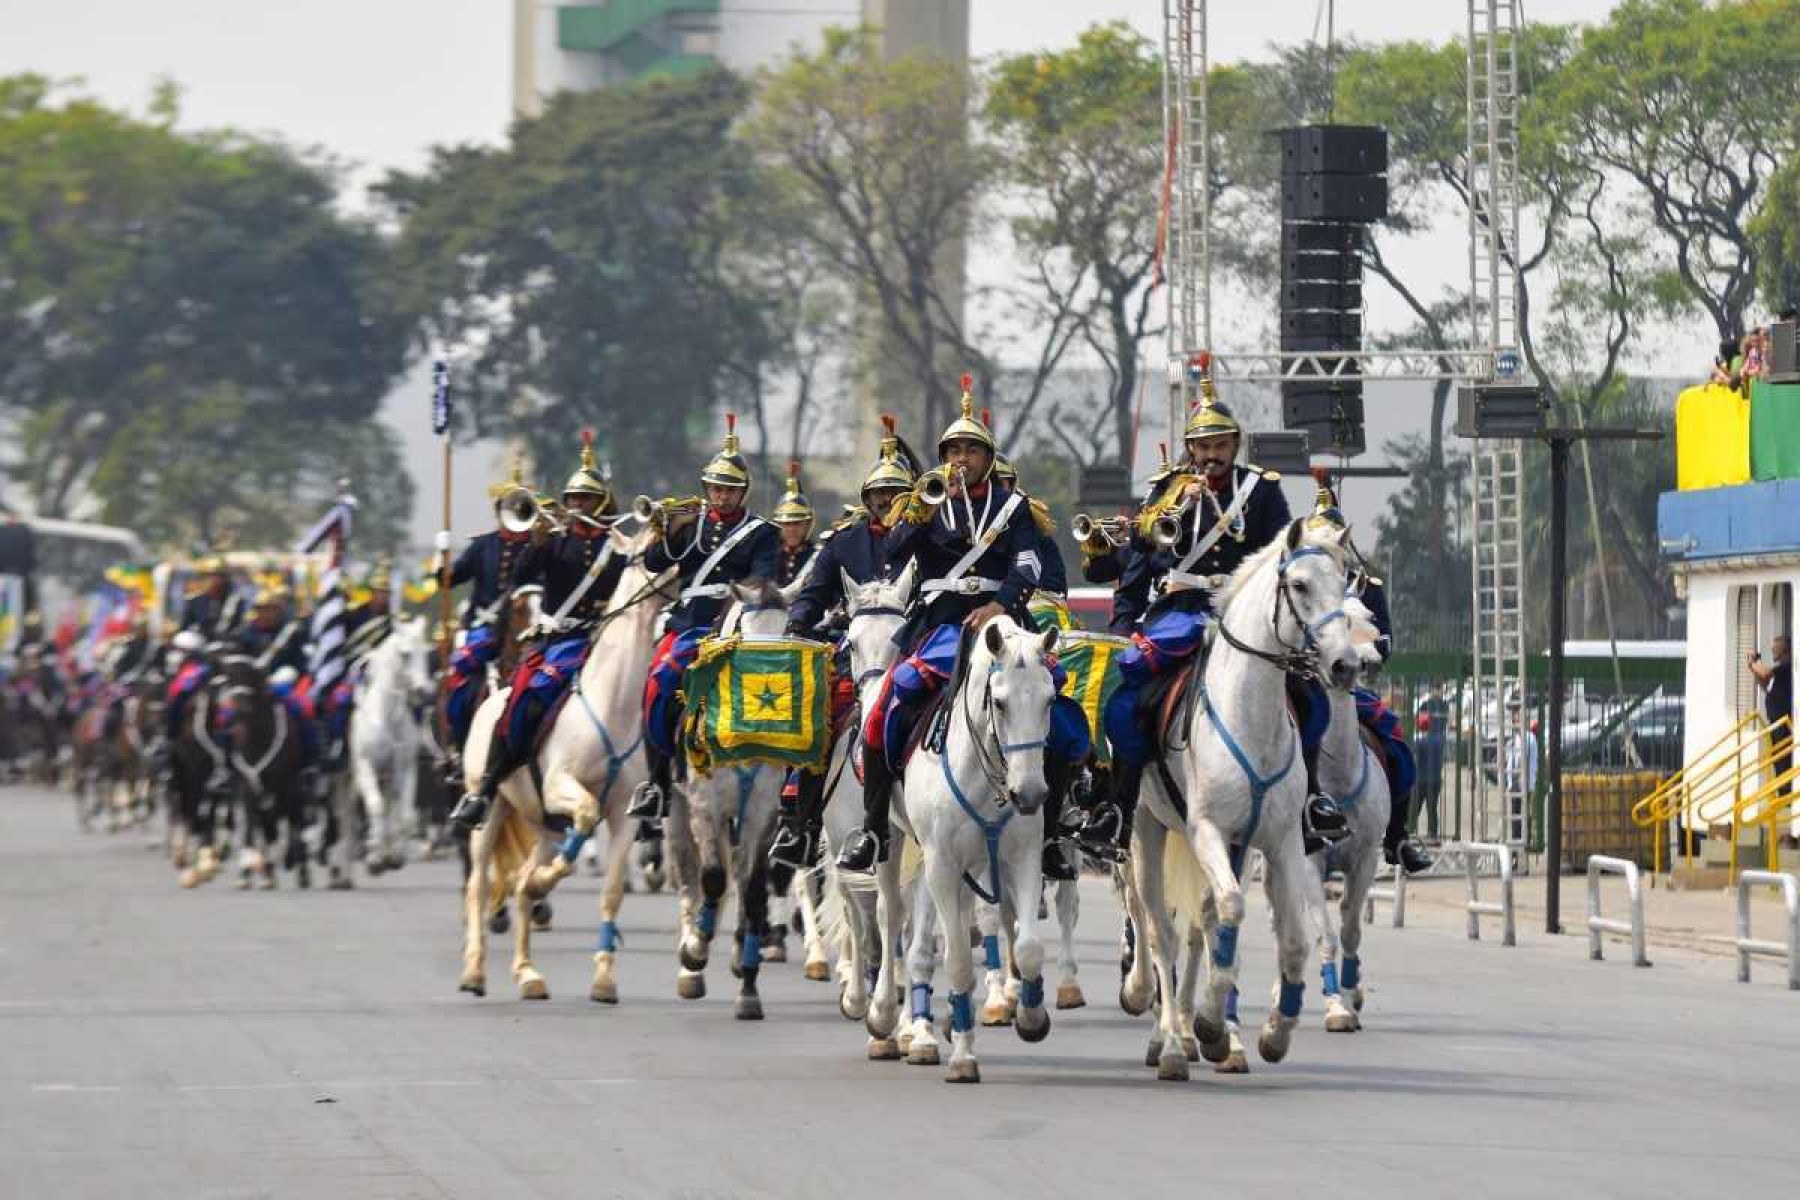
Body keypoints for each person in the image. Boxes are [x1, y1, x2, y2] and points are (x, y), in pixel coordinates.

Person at [1079, 359, 1347, 859]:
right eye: (1202, 447)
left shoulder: (1261, 489)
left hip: (1243, 613)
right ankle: (1116, 806)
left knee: (1309, 695)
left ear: (1234, 445)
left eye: (1219, 445)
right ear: (1190, 448)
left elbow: (1281, 557)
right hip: (1180, 610)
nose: (1210, 456)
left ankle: (1311, 801)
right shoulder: (1168, 489)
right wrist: (1123, 625)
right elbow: (1139, 559)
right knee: (1131, 700)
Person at [836, 377, 1090, 875]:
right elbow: (891, 553)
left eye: (972, 450)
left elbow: (1028, 565)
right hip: (939, 626)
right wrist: (921, 510)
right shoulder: (924, 503)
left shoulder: (1014, 510)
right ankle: (872, 829)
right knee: (886, 708)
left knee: (1058, 708)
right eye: (955, 450)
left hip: (1004, 624)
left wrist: (1000, 604)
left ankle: (1055, 832)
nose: (962, 458)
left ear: (988, 457)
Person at [451, 431, 627, 832]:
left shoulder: (615, 547)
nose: (576, 506)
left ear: (599, 503)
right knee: (522, 703)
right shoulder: (554, 543)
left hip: (605, 642)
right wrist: (536, 543)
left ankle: (653, 794)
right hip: (561, 642)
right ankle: (486, 787)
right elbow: (521, 576)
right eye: (572, 499)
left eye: (584, 499)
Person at [768, 416, 919, 872]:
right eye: (879, 495)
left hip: (911, 644)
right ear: (867, 499)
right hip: (854, 648)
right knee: (820, 716)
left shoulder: (927, 537)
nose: (886, 502)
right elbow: (814, 593)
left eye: (895, 495)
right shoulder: (843, 543)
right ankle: (803, 821)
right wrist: (797, 624)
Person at [628, 415, 781, 824]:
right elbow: (653, 562)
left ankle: (785, 787)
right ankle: (657, 783)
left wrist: (742, 592)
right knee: (658, 684)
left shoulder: (761, 532)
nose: (721, 495)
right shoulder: (691, 525)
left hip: (735, 625)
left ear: (742, 491)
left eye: (729, 489)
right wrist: (667, 529)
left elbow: (765, 574)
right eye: (715, 488)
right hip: (690, 624)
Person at [439, 457, 541, 773]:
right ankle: (459, 746)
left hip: (526, 626)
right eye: (509, 507)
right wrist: (442, 561)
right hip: (484, 629)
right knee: (458, 677)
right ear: (499, 510)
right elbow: (450, 580)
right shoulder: (483, 546)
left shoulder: (538, 546)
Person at [1750, 635, 1793, 797]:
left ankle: (1786, 796)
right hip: (1776, 724)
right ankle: (1783, 794)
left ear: (1783, 650)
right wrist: (1753, 669)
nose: (1772, 650)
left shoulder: (1786, 668)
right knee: (1778, 761)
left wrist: (1754, 663)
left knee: (1784, 761)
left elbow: (1767, 674)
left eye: (1775, 648)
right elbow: (1767, 686)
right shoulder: (1779, 672)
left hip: (1784, 725)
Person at [770, 462, 818, 588]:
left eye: (797, 523)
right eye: (786, 524)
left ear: (807, 524)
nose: (791, 529)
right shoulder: (767, 555)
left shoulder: (817, 557)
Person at [179, 558, 243, 640]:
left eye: (221, 577)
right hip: (198, 643)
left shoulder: (235, 601)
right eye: (212, 576)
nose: (216, 581)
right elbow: (185, 627)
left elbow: (238, 628)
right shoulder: (195, 601)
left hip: (224, 644)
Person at [1411, 707, 1445, 842]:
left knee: (1414, 808)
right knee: (1432, 808)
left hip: (1420, 779)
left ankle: (1411, 831)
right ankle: (1433, 834)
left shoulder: (1418, 742)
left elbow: (1414, 759)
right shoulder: (1439, 740)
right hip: (1435, 779)